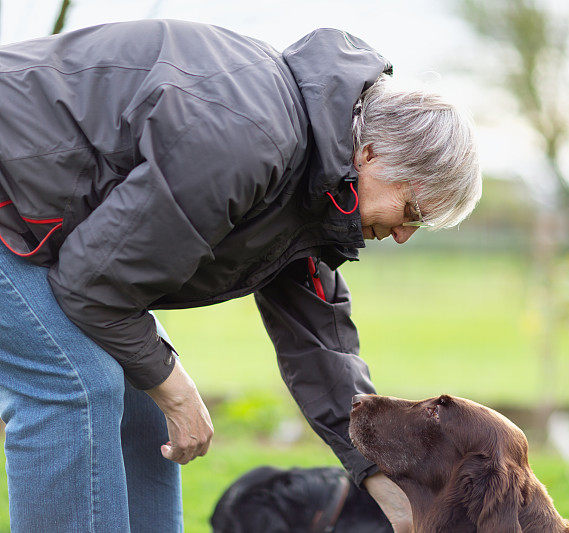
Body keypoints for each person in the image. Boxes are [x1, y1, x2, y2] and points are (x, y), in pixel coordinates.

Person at [0, 19, 481, 532]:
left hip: (45, 230)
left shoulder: (315, 186)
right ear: (372, 155)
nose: (403, 234)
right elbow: (94, 285)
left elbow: (323, 350)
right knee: (78, 381)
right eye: (411, 210)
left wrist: (383, 483)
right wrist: (177, 388)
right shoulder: (250, 139)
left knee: (137, 395)